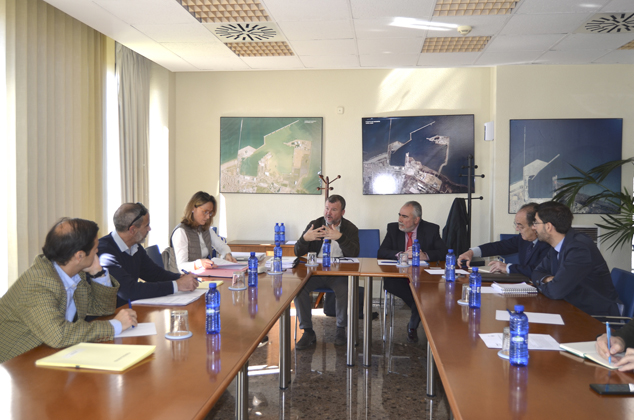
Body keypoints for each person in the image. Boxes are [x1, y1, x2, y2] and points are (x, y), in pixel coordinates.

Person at [0, 218, 137, 363]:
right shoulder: (39, 284)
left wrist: (97, 273)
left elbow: (102, 308)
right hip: (14, 363)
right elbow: (59, 335)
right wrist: (114, 326)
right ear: (79, 256)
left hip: (48, 353)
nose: (98, 251)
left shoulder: (72, 272)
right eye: (95, 247)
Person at [99, 203, 199, 307]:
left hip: (128, 310)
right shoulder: (104, 253)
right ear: (132, 230)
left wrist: (180, 277)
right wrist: (177, 285)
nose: (149, 229)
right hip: (110, 314)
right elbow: (128, 290)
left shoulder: (135, 247)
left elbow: (154, 274)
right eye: (146, 225)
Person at [531, 201, 619, 316]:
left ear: (548, 226)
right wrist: (547, 279)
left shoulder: (579, 248)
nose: (533, 227)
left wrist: (546, 282)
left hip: (594, 316)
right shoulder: (558, 245)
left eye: (535, 223)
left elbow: (555, 291)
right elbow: (536, 273)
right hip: (571, 308)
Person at [294, 195, 360, 349]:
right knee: (299, 289)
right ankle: (308, 331)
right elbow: (297, 251)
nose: (328, 213)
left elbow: (354, 253)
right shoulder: (315, 224)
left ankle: (340, 329)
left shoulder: (350, 228)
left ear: (342, 212)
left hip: (338, 273)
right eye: (326, 208)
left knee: (344, 289)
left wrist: (340, 238)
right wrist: (305, 239)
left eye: (334, 210)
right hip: (315, 272)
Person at [377, 201, 448, 343]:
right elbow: (381, 252)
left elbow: (444, 252)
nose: (400, 219)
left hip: (422, 277)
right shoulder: (393, 228)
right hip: (397, 278)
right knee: (421, 299)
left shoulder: (431, 229)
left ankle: (413, 325)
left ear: (416, 220)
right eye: (399, 215)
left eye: (405, 216)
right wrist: (402, 255)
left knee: (424, 292)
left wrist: (425, 255)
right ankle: (414, 325)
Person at [458, 203, 550, 277]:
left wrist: (507, 267)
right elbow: (500, 246)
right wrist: (472, 252)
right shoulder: (523, 239)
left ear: (534, 226)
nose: (517, 229)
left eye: (520, 226)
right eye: (516, 224)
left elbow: (538, 271)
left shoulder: (548, 244)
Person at [171, 191, 236, 272]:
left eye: (210, 213)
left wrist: (227, 254)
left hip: (202, 273)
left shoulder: (205, 229)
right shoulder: (181, 232)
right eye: (205, 212)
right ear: (193, 208)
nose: (208, 216)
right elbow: (181, 266)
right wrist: (199, 264)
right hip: (185, 277)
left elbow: (221, 245)